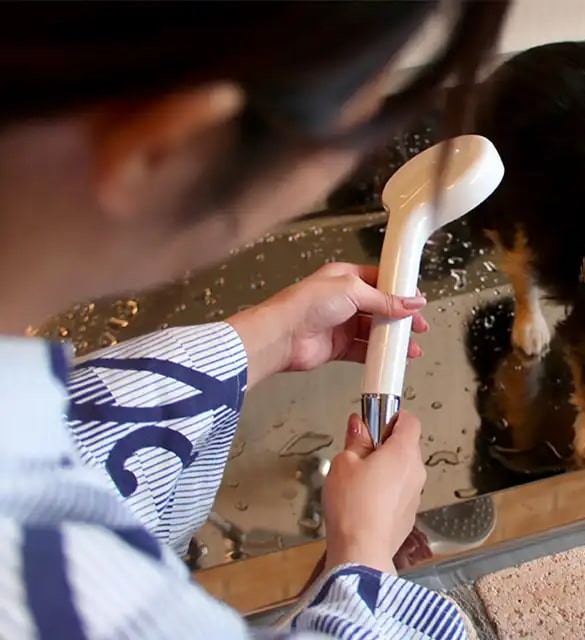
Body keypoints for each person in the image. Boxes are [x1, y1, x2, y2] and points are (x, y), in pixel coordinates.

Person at [0, 2, 508, 638]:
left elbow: (56, 448)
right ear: (170, 147)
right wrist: (364, 564)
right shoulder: (75, 607)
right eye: (362, 113)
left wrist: (258, 339)